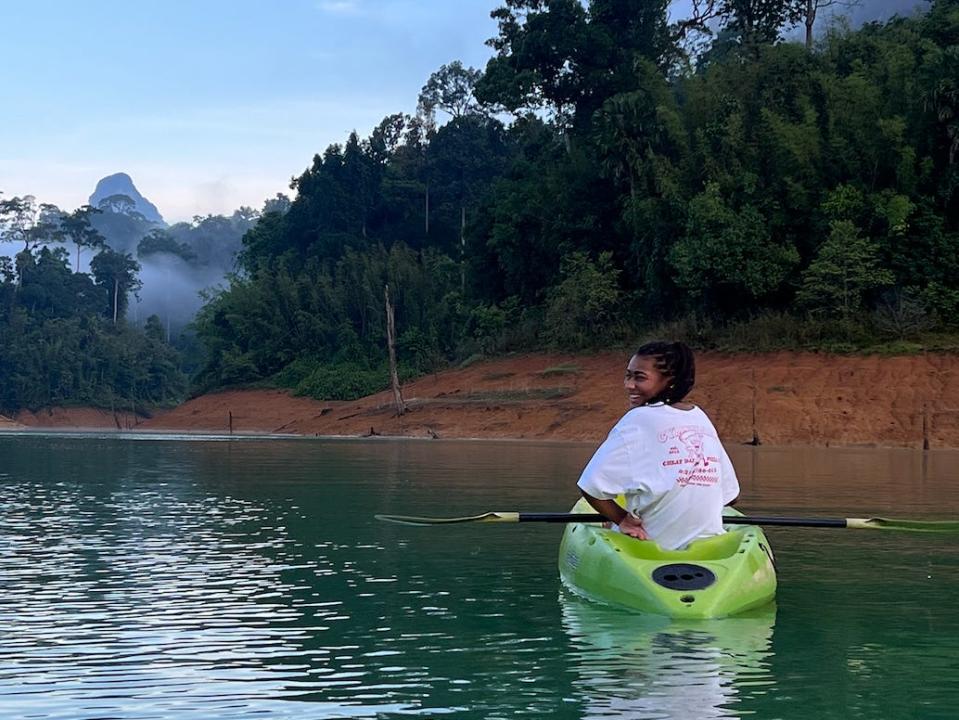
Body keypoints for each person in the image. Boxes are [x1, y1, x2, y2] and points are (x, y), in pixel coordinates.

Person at [577, 341, 740, 550]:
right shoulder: (700, 417)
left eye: (639, 377)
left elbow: (589, 486)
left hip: (651, 545)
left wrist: (622, 519)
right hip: (708, 549)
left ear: (669, 381)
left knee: (611, 515)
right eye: (628, 375)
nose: (629, 385)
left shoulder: (638, 418)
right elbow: (731, 496)